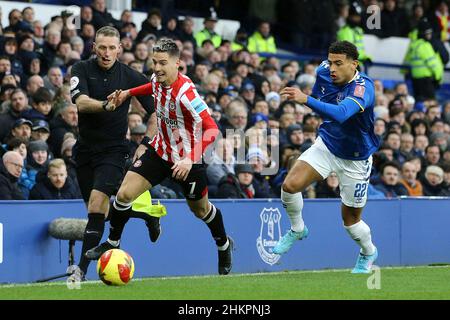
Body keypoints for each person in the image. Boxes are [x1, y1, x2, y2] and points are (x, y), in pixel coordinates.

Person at [85, 39, 234, 276]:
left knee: (201, 210)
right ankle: (112, 243)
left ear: (178, 63)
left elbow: (213, 129)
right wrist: (127, 93)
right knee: (123, 195)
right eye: (154, 62)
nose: (157, 67)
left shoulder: (187, 94)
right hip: (160, 151)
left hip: (188, 159)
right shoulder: (157, 79)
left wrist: (188, 159)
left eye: (163, 63)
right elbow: (149, 87)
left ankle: (224, 245)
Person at [274, 41, 379, 274]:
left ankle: (368, 251)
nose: (332, 68)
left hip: (356, 158)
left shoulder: (364, 88)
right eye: (330, 61)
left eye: (338, 63)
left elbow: (342, 114)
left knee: (351, 222)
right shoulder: (323, 71)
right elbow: (320, 98)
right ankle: (297, 228)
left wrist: (306, 100)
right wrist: (309, 99)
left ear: (354, 64)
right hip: (328, 144)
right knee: (290, 186)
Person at [67, 26, 156, 283]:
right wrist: (106, 105)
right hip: (84, 150)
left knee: (96, 204)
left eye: (111, 48)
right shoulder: (81, 69)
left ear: (120, 48)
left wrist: (146, 143)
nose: (106, 53)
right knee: (99, 214)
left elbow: (156, 111)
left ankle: (79, 272)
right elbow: (80, 101)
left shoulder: (130, 76)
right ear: (94, 47)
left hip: (114, 151)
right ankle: (145, 215)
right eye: (102, 47)